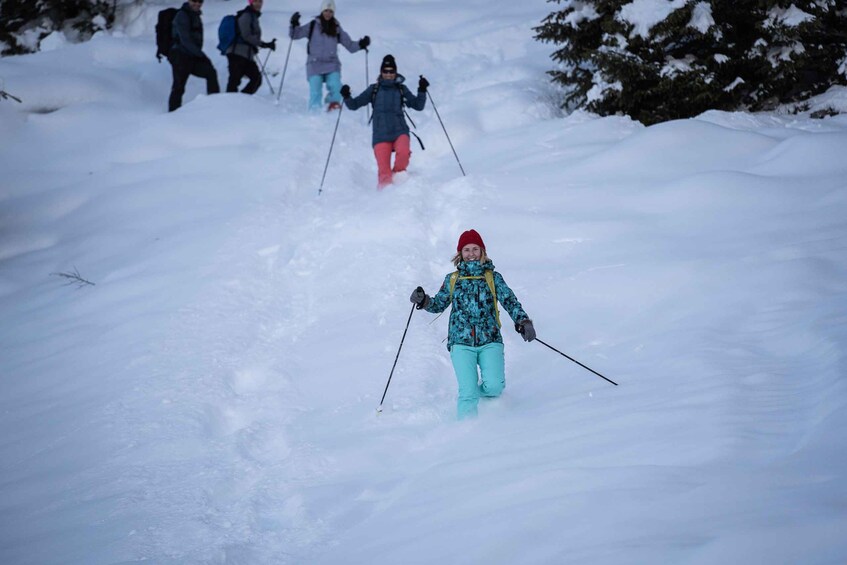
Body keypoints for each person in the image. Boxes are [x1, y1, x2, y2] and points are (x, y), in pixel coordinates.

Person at [410, 229, 536, 420]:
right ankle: (466, 439)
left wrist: (523, 322)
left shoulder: (493, 278)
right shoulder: (453, 279)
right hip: (461, 342)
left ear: (482, 251)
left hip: (490, 339)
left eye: (475, 249)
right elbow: (439, 304)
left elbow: (510, 301)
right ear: (460, 253)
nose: (471, 254)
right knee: (467, 393)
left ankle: (478, 393)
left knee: (495, 386)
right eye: (467, 250)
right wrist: (424, 301)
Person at [340, 54, 428, 189]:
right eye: (385, 71)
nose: (388, 74)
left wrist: (422, 90)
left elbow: (418, 106)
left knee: (404, 153)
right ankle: (385, 199)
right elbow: (354, 105)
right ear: (381, 72)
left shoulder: (401, 89)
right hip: (380, 134)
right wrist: (346, 96)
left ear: (395, 72)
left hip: (400, 130)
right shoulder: (373, 89)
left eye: (391, 71)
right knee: (384, 172)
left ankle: (399, 180)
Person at [289, 0, 370, 112]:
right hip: (314, 64)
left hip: (331, 64)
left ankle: (331, 104)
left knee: (337, 88)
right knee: (315, 91)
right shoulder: (313, 25)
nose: (328, 13)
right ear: (322, 11)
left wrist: (361, 44)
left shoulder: (336, 28)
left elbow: (350, 46)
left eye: (331, 11)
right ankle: (314, 113)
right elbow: (295, 35)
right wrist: (294, 24)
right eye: (326, 10)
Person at [168, 0, 220, 112]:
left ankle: (215, 104)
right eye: (194, 1)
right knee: (179, 86)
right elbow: (185, 40)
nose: (197, 4)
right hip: (180, 55)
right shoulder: (182, 15)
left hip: (192, 55)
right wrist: (201, 55)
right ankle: (172, 116)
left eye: (200, 1)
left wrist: (199, 55)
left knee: (210, 72)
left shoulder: (195, 16)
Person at [225, 0, 276, 95]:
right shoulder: (246, 15)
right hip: (236, 53)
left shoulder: (253, 16)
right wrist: (264, 44)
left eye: (260, 1)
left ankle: (242, 101)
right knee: (235, 80)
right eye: (255, 1)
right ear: (251, 2)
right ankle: (228, 104)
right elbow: (246, 35)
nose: (258, 4)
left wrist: (262, 45)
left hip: (246, 55)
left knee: (256, 79)